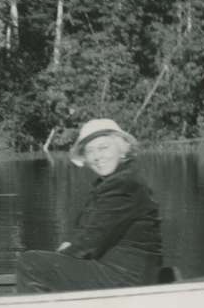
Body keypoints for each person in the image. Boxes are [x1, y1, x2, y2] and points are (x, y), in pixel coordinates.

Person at [16, 118, 165, 293]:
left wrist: (63, 256)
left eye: (103, 148)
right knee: (45, 263)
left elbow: (90, 242)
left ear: (122, 150)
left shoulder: (123, 184)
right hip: (126, 272)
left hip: (127, 277)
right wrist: (68, 248)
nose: (97, 157)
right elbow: (88, 234)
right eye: (90, 151)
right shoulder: (116, 181)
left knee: (31, 263)